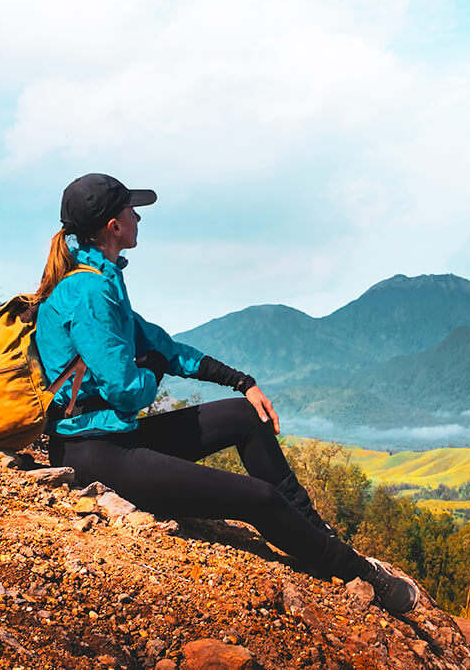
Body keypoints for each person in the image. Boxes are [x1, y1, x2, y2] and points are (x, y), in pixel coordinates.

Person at [34, 173, 418, 615]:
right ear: (113, 226)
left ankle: (314, 531)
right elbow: (128, 393)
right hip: (92, 452)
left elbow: (165, 347)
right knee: (260, 499)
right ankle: (361, 575)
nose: (138, 215)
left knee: (243, 415)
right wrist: (153, 369)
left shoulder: (100, 280)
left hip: (114, 438)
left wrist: (241, 381)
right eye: (130, 209)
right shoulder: (89, 291)